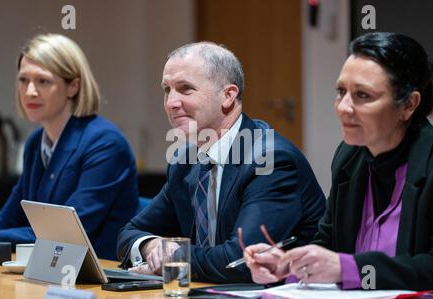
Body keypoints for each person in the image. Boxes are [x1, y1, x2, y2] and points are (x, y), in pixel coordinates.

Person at [243, 32, 433, 295]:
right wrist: (289, 265)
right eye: (341, 92)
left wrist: (347, 268)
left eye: (363, 95)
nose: (344, 107)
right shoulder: (349, 156)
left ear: (408, 104)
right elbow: (327, 243)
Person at [117, 42, 326, 283]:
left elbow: (241, 261)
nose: (171, 102)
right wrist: (151, 245)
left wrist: (175, 257)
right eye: (167, 89)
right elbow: (129, 233)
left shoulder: (270, 160)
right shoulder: (184, 161)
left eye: (185, 89)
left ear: (228, 95)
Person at [0, 34, 139, 260]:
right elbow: (9, 217)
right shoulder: (35, 143)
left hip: (101, 279)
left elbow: (66, 235)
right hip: (52, 270)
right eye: (23, 80)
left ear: (73, 86)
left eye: (43, 81)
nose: (30, 91)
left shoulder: (105, 143)